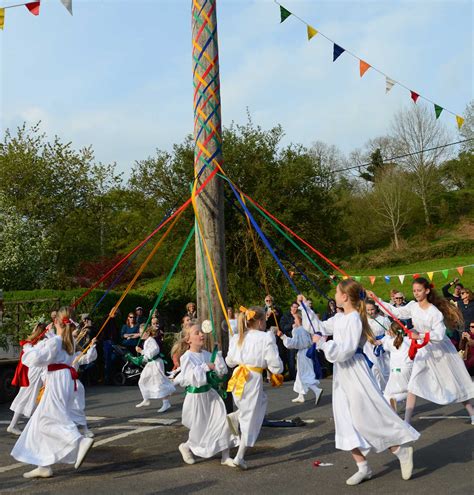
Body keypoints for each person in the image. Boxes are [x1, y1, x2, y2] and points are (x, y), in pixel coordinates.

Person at [312, 279, 419, 486]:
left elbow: (346, 350)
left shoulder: (354, 319)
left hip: (355, 371)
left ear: (344, 297)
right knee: (344, 419)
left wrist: (324, 344)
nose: (334, 296)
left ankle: (400, 450)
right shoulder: (340, 317)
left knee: (366, 417)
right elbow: (320, 326)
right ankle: (363, 467)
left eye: (336, 292)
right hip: (342, 374)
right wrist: (304, 311)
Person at [370, 277, 474, 425]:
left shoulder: (434, 312)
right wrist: (377, 300)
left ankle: (472, 412)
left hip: (440, 351)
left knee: (453, 382)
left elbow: (439, 334)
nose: (416, 293)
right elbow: (396, 313)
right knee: (413, 384)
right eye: (414, 291)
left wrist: (419, 335)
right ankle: (406, 421)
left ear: (427, 291)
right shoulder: (412, 306)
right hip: (423, 350)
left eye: (419, 290)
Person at [11, 307, 94, 478]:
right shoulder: (68, 339)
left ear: (56, 321)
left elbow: (36, 359)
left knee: (50, 419)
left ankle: (79, 440)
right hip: (64, 380)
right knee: (39, 422)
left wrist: (28, 347)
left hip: (57, 379)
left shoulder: (56, 341)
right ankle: (43, 465)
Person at [173, 323, 238, 467]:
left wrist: (218, 356)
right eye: (197, 333)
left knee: (222, 422)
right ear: (188, 339)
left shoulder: (208, 354)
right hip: (196, 398)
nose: (201, 334)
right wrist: (205, 367)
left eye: (201, 332)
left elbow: (222, 372)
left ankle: (225, 456)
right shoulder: (186, 357)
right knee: (200, 429)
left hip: (211, 395)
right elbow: (190, 378)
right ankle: (186, 446)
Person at [226, 306, 283, 469]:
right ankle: (239, 456)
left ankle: (237, 415)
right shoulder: (265, 337)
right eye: (265, 320)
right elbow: (275, 365)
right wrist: (276, 370)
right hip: (252, 379)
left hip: (238, 377)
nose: (265, 324)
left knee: (257, 406)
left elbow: (229, 361)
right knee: (251, 418)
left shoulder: (237, 337)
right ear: (259, 322)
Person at [7, 322, 49, 436]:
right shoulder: (43, 343)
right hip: (36, 372)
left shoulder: (33, 343)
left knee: (34, 398)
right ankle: (14, 425)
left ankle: (30, 425)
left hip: (34, 372)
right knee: (29, 397)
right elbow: (44, 359)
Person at [276, 311, 322, 405]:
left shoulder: (297, 330)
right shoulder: (306, 329)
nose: (294, 320)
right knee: (300, 375)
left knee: (305, 374)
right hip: (308, 352)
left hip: (303, 354)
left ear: (299, 319)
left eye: (295, 318)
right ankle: (301, 396)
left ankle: (316, 390)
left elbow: (293, 343)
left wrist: (283, 337)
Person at [135, 325, 175, 413]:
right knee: (142, 379)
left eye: (142, 332)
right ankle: (146, 398)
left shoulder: (151, 341)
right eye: (140, 332)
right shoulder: (147, 341)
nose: (140, 334)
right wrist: (140, 358)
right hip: (151, 363)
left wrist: (141, 351)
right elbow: (146, 357)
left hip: (156, 363)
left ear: (147, 333)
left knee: (159, 382)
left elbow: (153, 352)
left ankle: (166, 402)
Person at [380, 322, 413, 412]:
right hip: (406, 368)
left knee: (387, 394)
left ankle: (391, 408)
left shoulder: (389, 341)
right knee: (410, 391)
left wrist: (387, 335)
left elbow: (382, 343)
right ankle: (396, 400)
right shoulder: (409, 340)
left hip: (394, 370)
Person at [364, 300, 391, 391]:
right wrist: (369, 339)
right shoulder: (363, 321)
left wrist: (382, 341)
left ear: (376, 308)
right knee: (374, 370)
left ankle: (387, 390)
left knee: (385, 370)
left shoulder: (383, 320)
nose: (370, 312)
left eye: (372, 309)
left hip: (382, 348)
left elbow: (390, 333)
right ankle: (377, 391)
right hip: (369, 348)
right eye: (368, 310)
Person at [279, 301, 299, 380]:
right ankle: (293, 376)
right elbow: (283, 327)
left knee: (299, 358)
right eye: (294, 307)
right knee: (291, 358)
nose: (295, 309)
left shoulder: (299, 315)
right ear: (291, 307)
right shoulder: (285, 316)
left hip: (299, 339)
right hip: (290, 339)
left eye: (296, 307)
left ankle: (299, 375)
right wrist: (292, 325)